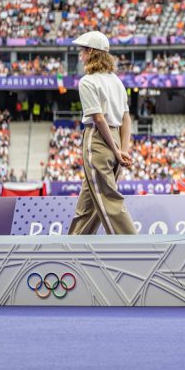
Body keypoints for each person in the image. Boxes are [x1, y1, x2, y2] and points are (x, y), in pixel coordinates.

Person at [68, 31, 137, 235]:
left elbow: (98, 119)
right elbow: (126, 119)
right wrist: (122, 149)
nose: (80, 55)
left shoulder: (87, 82)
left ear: (91, 52)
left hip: (98, 139)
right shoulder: (116, 81)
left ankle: (133, 246)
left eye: (82, 51)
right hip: (115, 136)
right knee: (89, 201)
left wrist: (116, 151)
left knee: (107, 197)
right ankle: (73, 246)